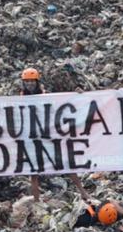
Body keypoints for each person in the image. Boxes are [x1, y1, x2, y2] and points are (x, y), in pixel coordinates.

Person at [20, 67, 86, 200]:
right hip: (31, 139)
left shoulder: (47, 96)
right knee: (34, 172)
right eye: (27, 81)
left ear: (37, 82)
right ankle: (37, 201)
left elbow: (61, 105)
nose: (29, 84)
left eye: (32, 81)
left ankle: (83, 193)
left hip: (48, 137)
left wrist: (77, 94)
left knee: (66, 164)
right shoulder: (19, 97)